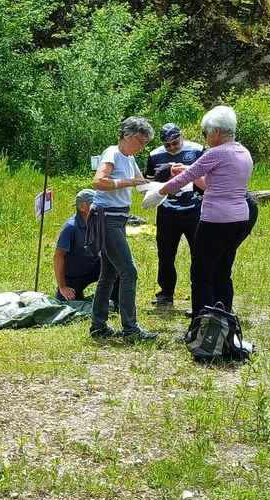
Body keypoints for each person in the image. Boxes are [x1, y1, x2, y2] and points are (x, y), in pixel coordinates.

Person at [158, 106, 255, 324]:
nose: (206, 137)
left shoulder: (217, 152)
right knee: (222, 271)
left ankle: (202, 324)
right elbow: (207, 184)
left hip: (216, 220)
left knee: (201, 273)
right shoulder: (243, 152)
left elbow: (187, 177)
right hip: (239, 217)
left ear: (217, 132)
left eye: (206, 133)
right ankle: (224, 319)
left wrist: (158, 192)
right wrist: (186, 173)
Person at [87, 117, 158, 341]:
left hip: (117, 220)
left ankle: (98, 325)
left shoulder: (130, 159)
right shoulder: (113, 154)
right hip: (105, 219)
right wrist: (126, 182)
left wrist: (168, 187)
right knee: (129, 271)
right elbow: (98, 181)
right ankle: (130, 328)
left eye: (145, 143)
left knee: (108, 273)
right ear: (127, 136)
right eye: (139, 141)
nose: (141, 147)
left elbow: (143, 186)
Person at [144, 123, 204, 306]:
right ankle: (166, 292)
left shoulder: (197, 150)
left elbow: (208, 176)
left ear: (181, 136)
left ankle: (200, 293)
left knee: (200, 254)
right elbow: (149, 181)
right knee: (165, 254)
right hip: (167, 211)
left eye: (174, 143)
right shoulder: (154, 155)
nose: (171, 148)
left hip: (194, 210)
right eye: (167, 145)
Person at [53, 189, 119, 302]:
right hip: (74, 274)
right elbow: (58, 256)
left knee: (118, 269)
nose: (98, 206)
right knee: (66, 301)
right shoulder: (70, 227)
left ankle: (113, 302)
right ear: (82, 207)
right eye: (93, 203)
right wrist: (63, 287)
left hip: (93, 267)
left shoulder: (97, 222)